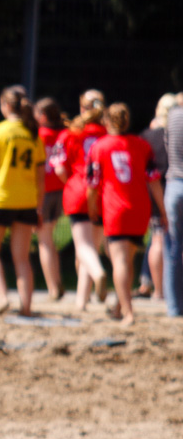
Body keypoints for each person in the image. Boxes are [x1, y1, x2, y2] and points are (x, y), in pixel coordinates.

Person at [88, 103, 168, 326]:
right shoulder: (141, 145)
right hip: (139, 209)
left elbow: (92, 184)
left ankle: (128, 313)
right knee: (127, 260)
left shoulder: (100, 146)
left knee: (120, 261)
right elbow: (154, 181)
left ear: (106, 121)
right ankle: (119, 306)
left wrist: (92, 208)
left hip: (115, 210)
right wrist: (163, 211)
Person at [0, 86, 45, 316]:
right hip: (27, 200)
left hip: (1, 198)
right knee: (22, 257)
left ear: (6, 106)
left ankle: (2, 297)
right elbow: (40, 177)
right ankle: (26, 307)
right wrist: (39, 207)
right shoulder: (33, 133)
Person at [60, 90, 109, 310]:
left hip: (79, 191)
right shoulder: (108, 133)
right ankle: (81, 301)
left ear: (82, 107)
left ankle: (98, 274)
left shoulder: (72, 133)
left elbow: (59, 167)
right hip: (102, 194)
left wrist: (70, 182)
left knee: (83, 248)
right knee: (92, 249)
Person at [137, 94, 173, 299]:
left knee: (157, 239)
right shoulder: (176, 133)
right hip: (174, 186)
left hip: (153, 191)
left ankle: (158, 290)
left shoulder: (147, 136)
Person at [33, 97, 69, 300]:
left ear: (43, 116)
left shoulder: (38, 135)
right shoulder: (63, 134)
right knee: (49, 238)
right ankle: (57, 281)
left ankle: (53, 288)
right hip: (60, 189)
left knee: (44, 241)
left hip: (43, 191)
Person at [165, 92, 183, 318]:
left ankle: (173, 306)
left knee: (173, 248)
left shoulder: (173, 116)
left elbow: (167, 143)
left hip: (174, 184)